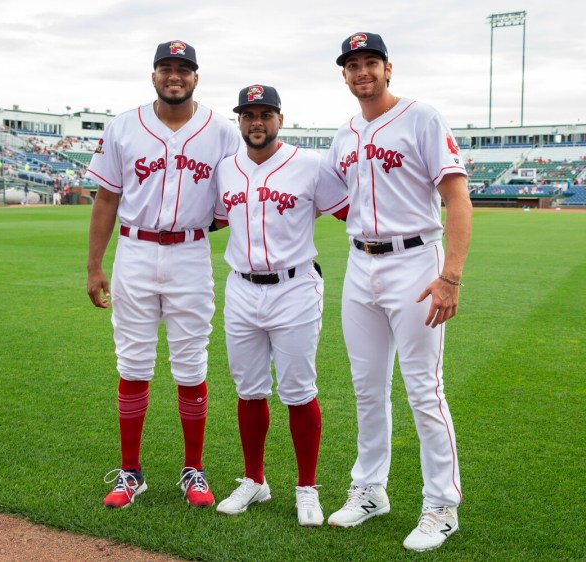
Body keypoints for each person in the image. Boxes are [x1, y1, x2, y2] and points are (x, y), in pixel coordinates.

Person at [325, 32, 473, 552]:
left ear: (389, 69)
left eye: (370, 62)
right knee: (367, 388)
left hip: (416, 261)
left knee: (423, 389)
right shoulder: (343, 134)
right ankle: (370, 489)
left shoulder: (422, 117)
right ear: (343, 76)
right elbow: (323, 195)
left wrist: (450, 275)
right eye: (352, 65)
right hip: (360, 264)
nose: (361, 71)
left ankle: (442, 505)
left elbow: (457, 197)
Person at [85, 39, 242, 510]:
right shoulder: (123, 126)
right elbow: (106, 199)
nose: (174, 75)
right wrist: (94, 265)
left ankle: (193, 468)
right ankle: (130, 471)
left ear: (196, 76)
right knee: (132, 362)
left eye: (184, 68)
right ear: (153, 75)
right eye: (165, 68)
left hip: (190, 255)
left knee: (192, 364)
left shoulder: (222, 131)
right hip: (134, 251)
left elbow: (234, 199)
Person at [212, 85, 349, 527]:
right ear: (239, 121)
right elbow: (213, 217)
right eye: (249, 114)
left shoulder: (309, 165)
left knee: (298, 390)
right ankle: (255, 480)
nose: (257, 122)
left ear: (280, 119)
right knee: (249, 388)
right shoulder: (226, 169)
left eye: (265, 113)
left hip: (294, 287)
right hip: (241, 286)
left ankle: (307, 488)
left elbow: (350, 210)